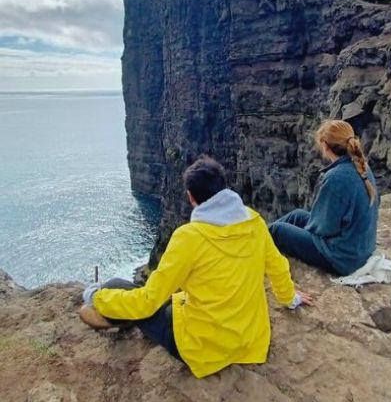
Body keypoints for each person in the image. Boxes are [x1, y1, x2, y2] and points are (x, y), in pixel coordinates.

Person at [79, 155, 312, 378]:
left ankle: (110, 313)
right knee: (172, 299)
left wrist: (96, 297)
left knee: (115, 285)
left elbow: (149, 300)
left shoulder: (188, 237)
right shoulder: (254, 222)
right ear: (224, 188)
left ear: (191, 197)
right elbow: (279, 267)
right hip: (249, 341)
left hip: (203, 348)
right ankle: (118, 314)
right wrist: (291, 299)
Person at [269, 120, 379, 276]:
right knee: (297, 215)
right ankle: (256, 237)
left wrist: (304, 235)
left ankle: (248, 247)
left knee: (277, 230)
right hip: (358, 247)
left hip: (343, 258)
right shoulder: (362, 167)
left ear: (325, 146)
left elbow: (324, 229)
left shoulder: (335, 178)